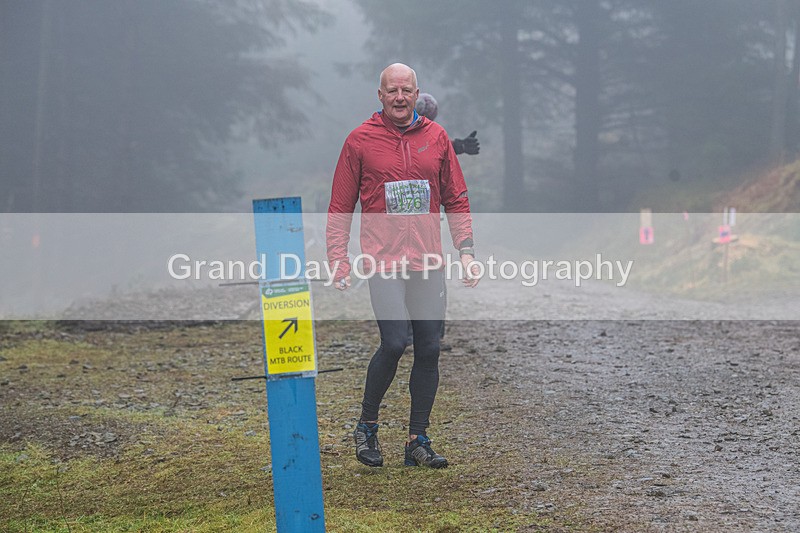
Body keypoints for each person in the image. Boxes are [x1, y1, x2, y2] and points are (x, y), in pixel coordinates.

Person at [327, 63, 480, 468]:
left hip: (428, 262)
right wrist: (338, 259)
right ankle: (367, 426)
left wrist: (466, 252)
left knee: (429, 348)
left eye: (406, 90)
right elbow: (341, 206)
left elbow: (456, 198)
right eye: (392, 90)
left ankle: (417, 439)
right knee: (395, 343)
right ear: (380, 95)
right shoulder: (360, 140)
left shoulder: (437, 137)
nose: (399, 97)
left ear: (417, 95)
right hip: (384, 262)